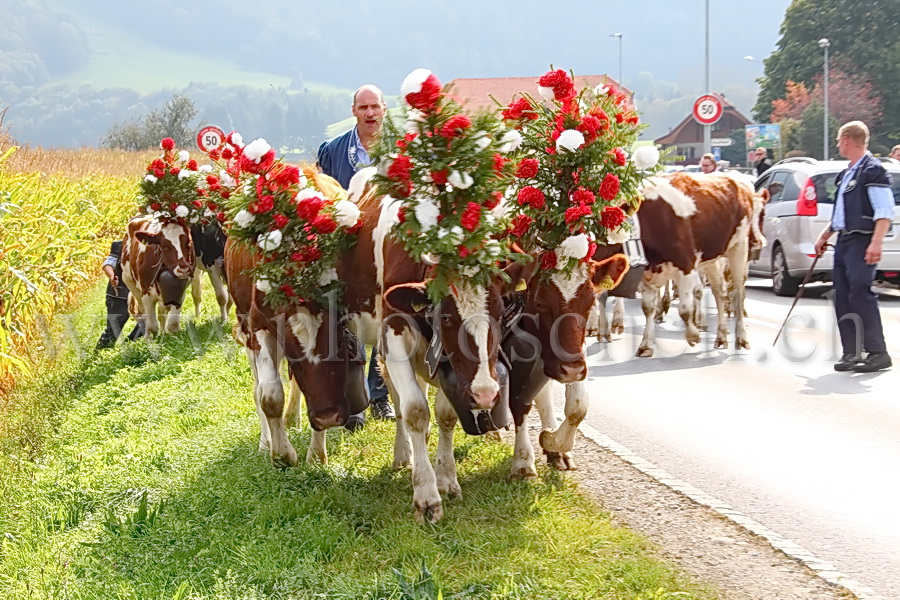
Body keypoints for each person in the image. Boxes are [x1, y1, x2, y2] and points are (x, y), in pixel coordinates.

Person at [316, 85, 396, 428]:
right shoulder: (333, 151)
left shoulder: (402, 149)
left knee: (389, 315)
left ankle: (380, 397)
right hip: (346, 250)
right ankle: (355, 400)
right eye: (363, 107)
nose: (370, 113)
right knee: (349, 320)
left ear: (384, 110)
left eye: (375, 106)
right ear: (353, 111)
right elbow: (320, 196)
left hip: (389, 248)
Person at [814, 121, 893, 372]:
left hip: (862, 239)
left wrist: (876, 242)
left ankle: (878, 351)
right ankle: (852, 351)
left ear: (847, 140)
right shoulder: (847, 172)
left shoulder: (873, 170)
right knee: (842, 295)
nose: (838, 145)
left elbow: (884, 211)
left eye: (839, 140)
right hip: (844, 240)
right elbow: (841, 213)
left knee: (860, 294)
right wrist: (825, 235)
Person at [95, 240, 144, 349]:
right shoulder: (119, 245)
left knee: (145, 325)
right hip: (119, 294)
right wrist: (112, 276)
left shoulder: (152, 245)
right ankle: (96, 358)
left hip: (141, 295)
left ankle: (128, 348)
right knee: (113, 330)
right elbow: (108, 263)